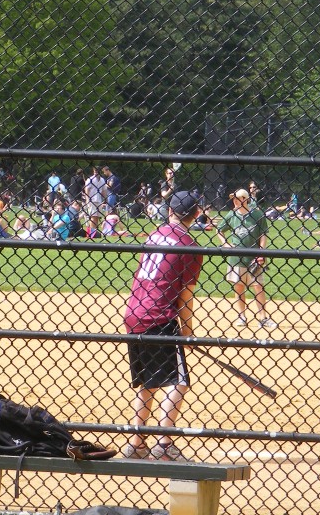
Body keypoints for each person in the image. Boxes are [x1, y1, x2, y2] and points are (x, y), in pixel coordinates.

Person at [122, 190, 204, 462]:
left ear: (170, 211)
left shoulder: (154, 235)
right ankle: (164, 442)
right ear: (197, 214)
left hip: (134, 313)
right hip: (159, 315)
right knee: (178, 381)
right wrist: (188, 328)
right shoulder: (189, 246)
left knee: (149, 381)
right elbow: (185, 296)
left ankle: (136, 443)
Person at [217, 189, 277, 330]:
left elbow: (263, 234)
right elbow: (218, 230)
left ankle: (263, 317)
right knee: (238, 287)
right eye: (234, 199)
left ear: (245, 199)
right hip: (236, 258)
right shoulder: (232, 215)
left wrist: (261, 252)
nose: (235, 201)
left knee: (258, 286)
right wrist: (226, 244)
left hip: (253, 259)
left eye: (237, 199)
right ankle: (242, 316)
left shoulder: (257, 214)